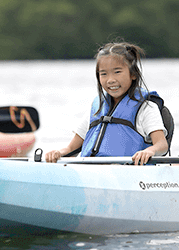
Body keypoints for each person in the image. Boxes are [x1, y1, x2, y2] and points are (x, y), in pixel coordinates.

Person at [42, 42, 171, 165]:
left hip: (128, 173)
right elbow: (71, 148)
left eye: (117, 72)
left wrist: (150, 151)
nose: (110, 80)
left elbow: (162, 145)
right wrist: (58, 153)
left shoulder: (146, 108)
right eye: (103, 74)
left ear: (133, 74)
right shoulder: (96, 109)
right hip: (90, 172)